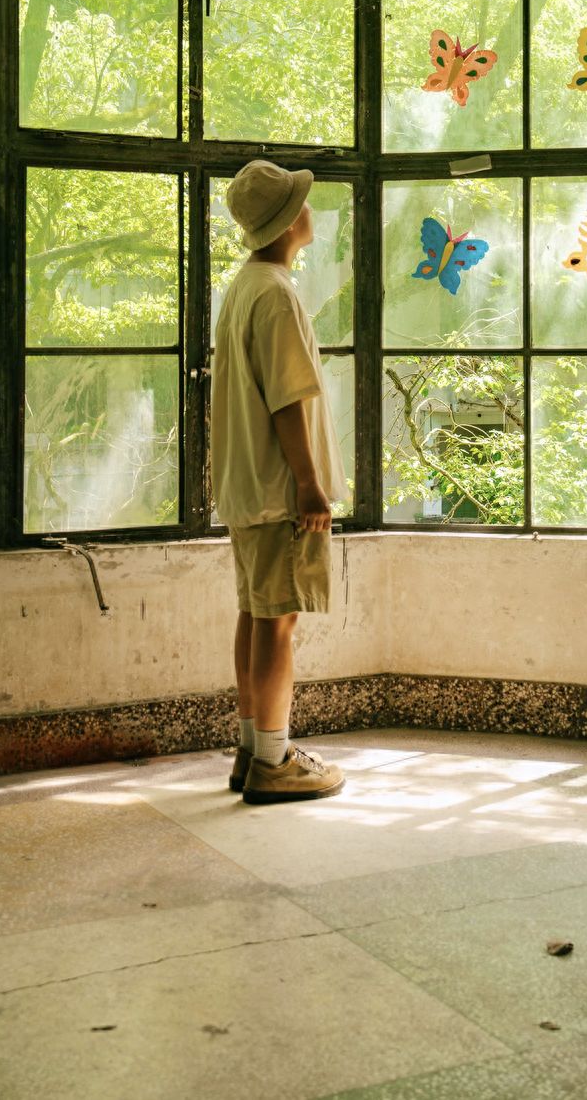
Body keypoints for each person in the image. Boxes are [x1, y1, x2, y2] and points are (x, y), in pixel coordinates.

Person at [211, 159, 346, 804]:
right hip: (276, 490)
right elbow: (288, 399)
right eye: (303, 202)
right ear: (291, 220)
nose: (310, 210)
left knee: (256, 613)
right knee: (280, 620)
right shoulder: (278, 293)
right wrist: (308, 485)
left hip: (246, 486)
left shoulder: (244, 286)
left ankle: (249, 750)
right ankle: (274, 759)